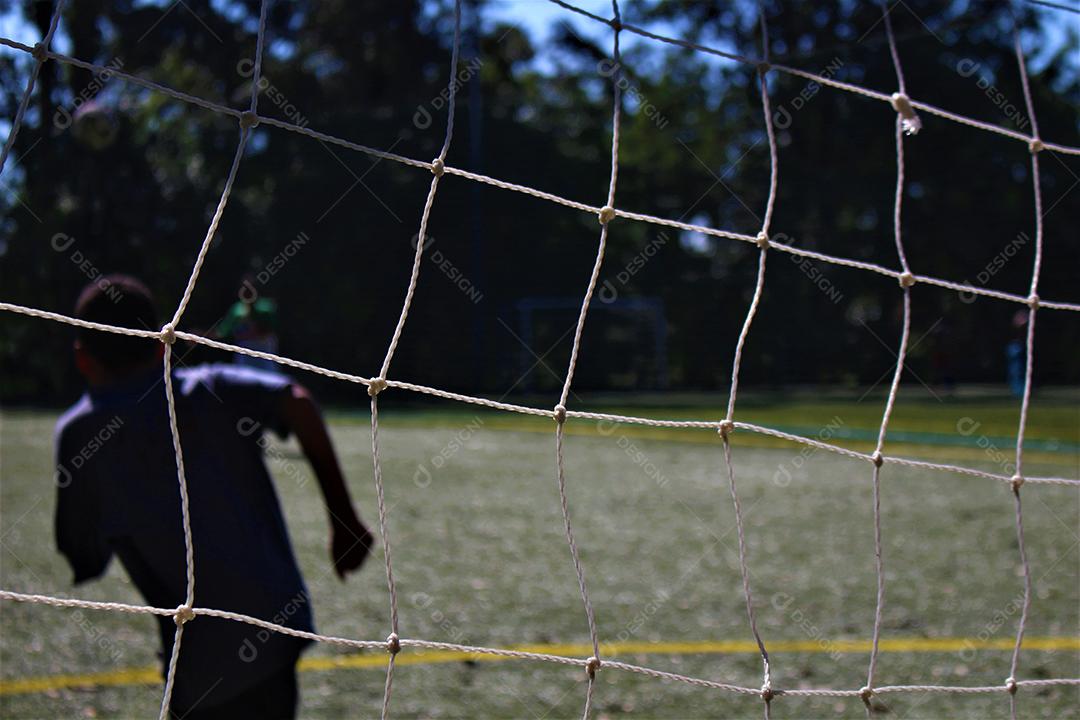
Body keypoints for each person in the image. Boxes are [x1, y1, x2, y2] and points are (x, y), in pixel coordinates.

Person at [54, 275, 373, 719]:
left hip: (203, 660)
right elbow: (298, 402)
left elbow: (83, 556)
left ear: (82, 358)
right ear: (161, 345)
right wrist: (343, 519)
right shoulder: (212, 388)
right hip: (276, 621)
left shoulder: (79, 433)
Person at [217, 275, 281, 371]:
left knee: (269, 378)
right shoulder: (237, 310)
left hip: (265, 352)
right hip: (244, 353)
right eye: (245, 289)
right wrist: (200, 336)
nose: (247, 292)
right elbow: (222, 333)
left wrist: (252, 333)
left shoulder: (266, 308)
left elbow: (271, 330)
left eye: (250, 289)